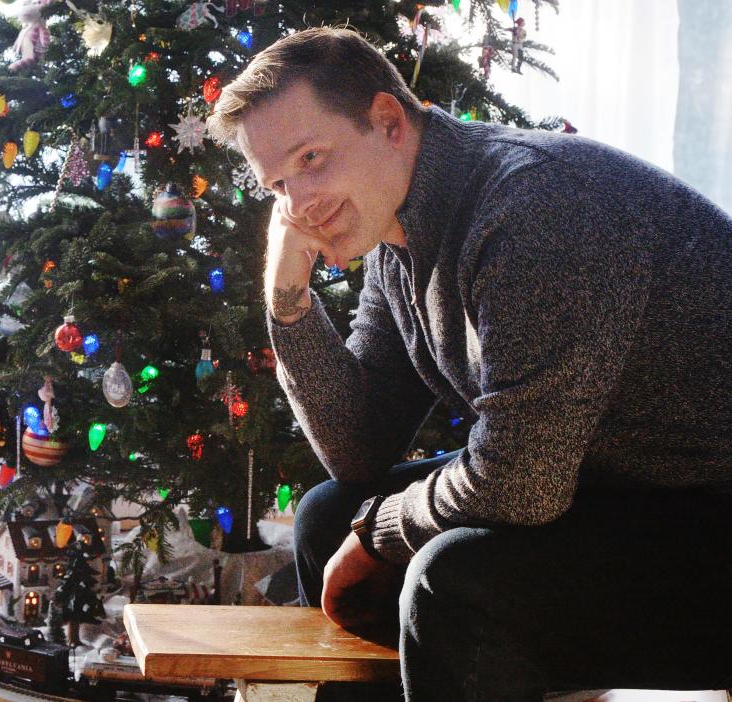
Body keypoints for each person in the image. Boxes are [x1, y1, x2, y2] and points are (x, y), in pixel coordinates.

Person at [206, 26, 732, 702]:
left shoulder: (534, 206)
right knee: (327, 515)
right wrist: (288, 302)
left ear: (388, 122)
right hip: (624, 490)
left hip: (710, 509)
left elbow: (522, 482)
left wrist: (378, 534)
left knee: (451, 580)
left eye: (312, 157)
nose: (299, 202)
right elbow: (359, 451)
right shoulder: (399, 237)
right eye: (278, 182)